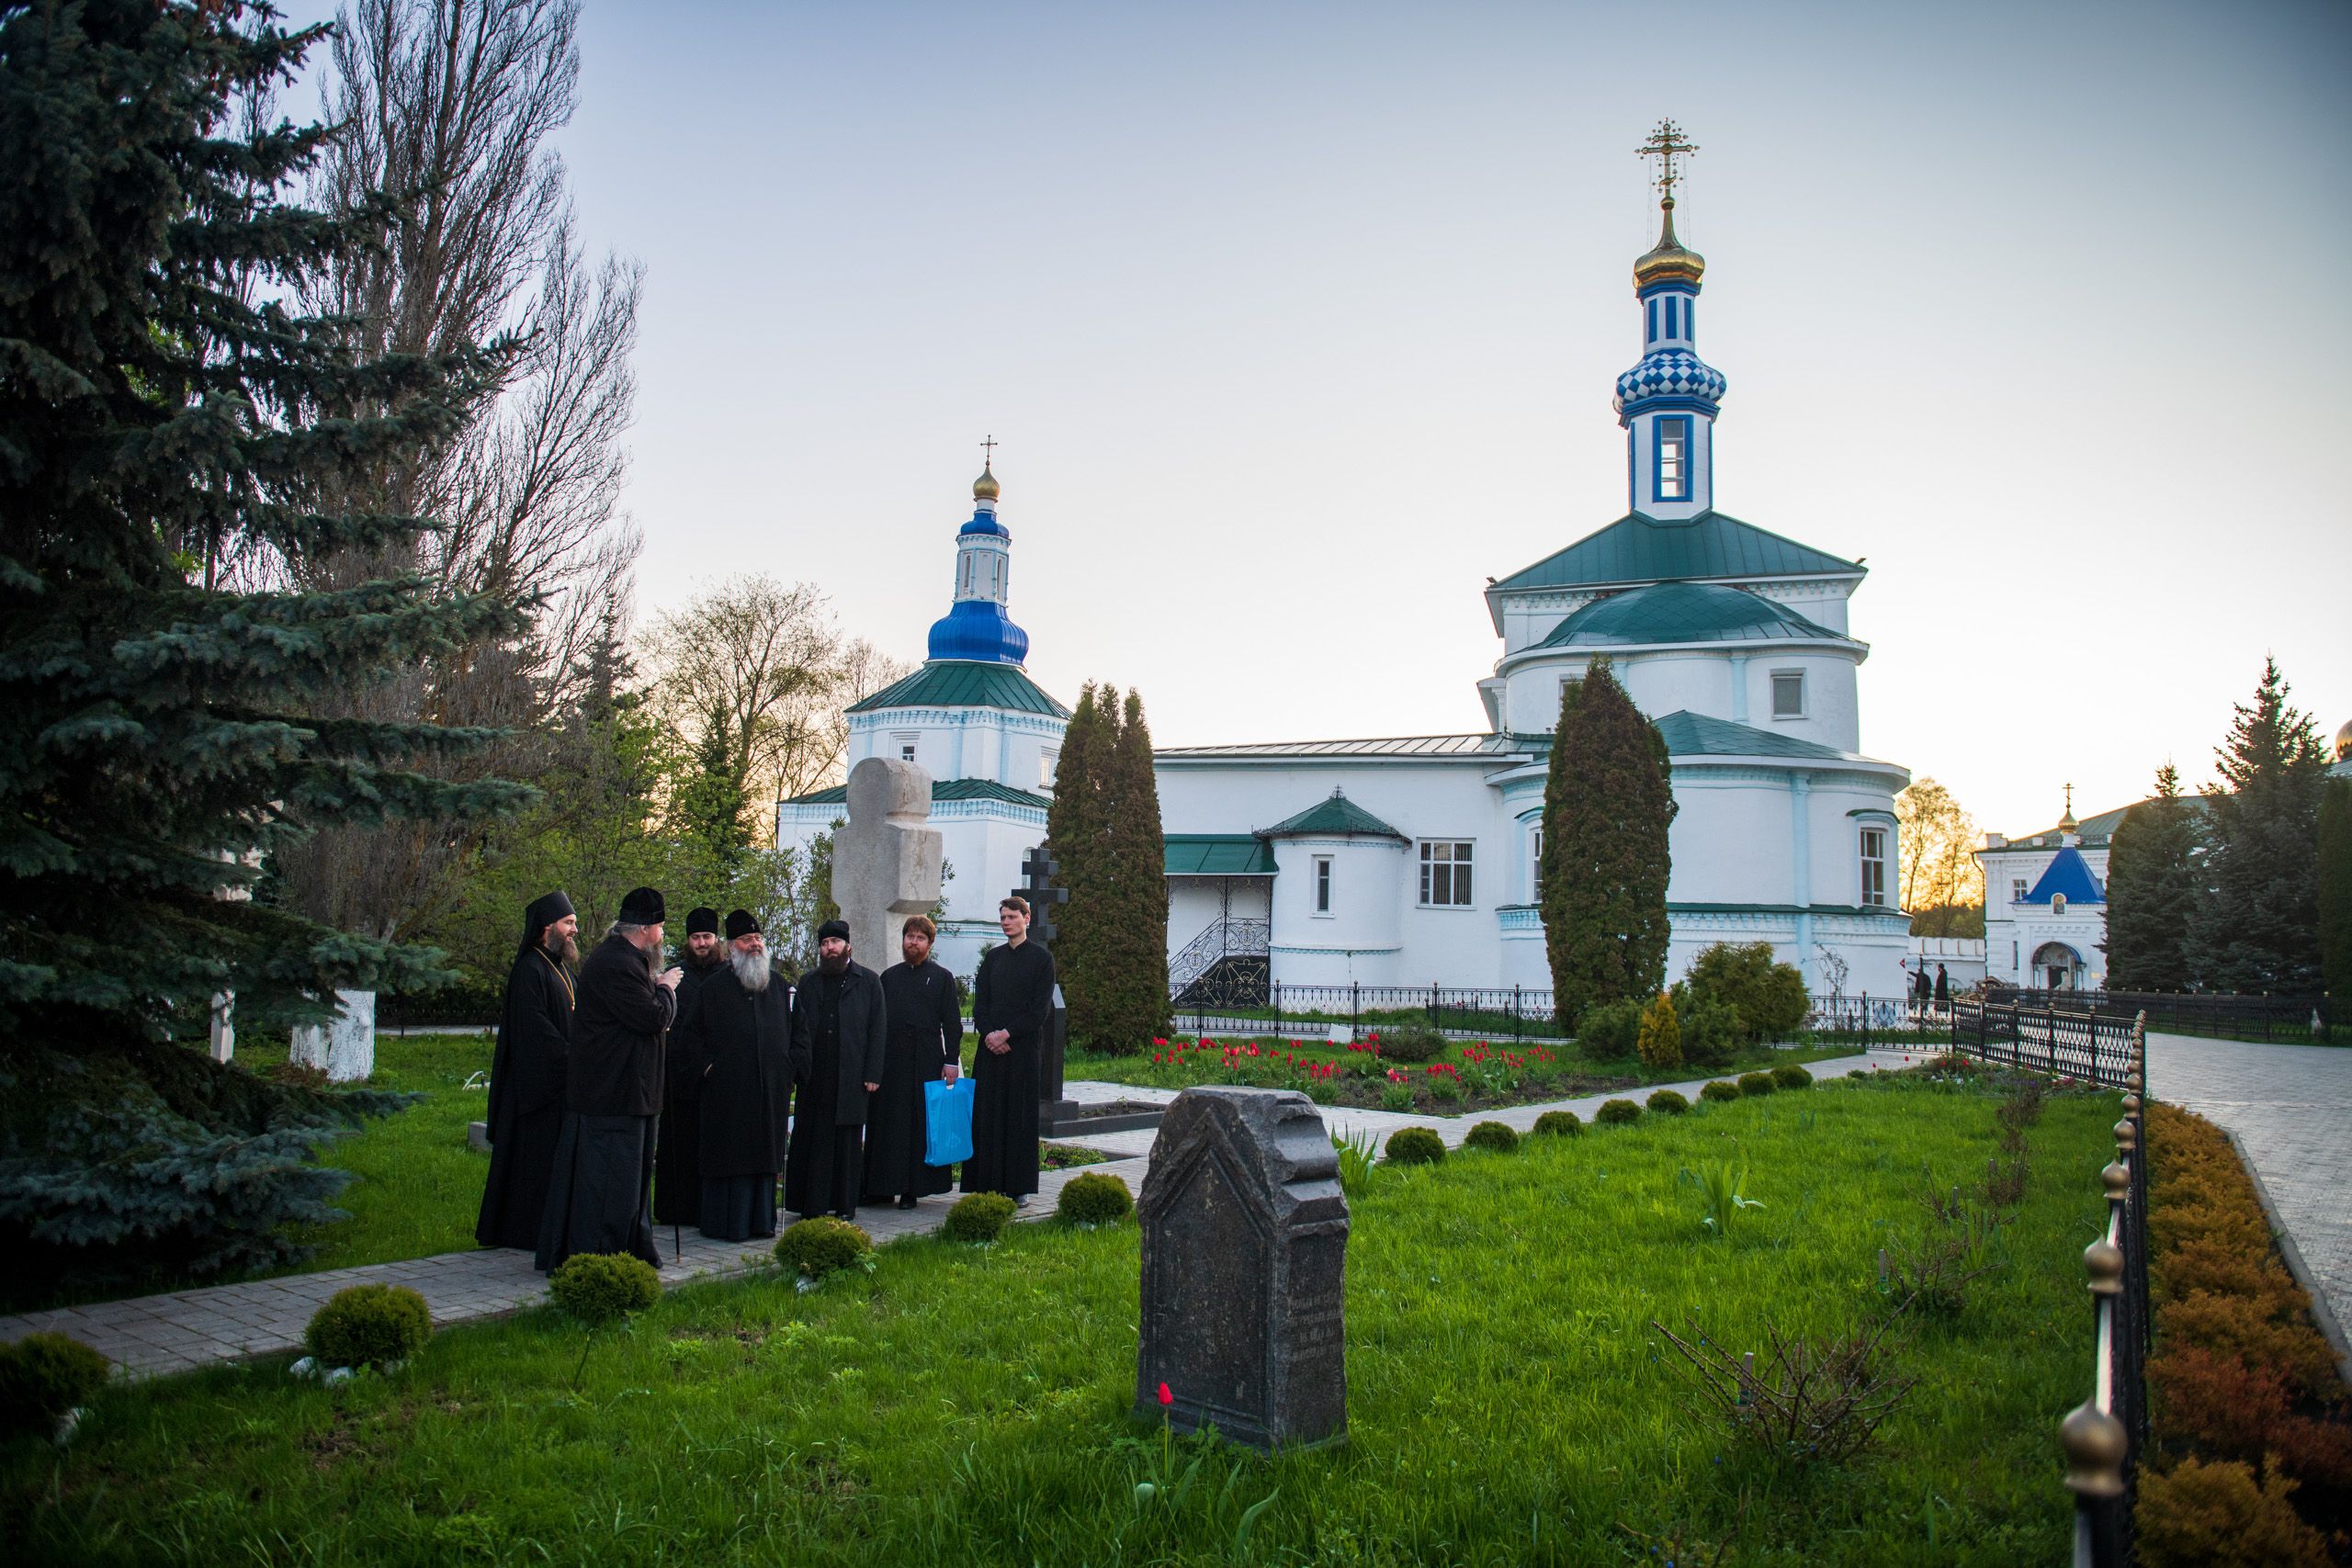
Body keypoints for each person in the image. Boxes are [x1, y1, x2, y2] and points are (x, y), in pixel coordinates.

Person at [536, 886, 681, 1271]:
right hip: (613, 1096)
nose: (663, 935)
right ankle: (602, 1260)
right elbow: (651, 1017)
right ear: (646, 928)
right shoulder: (617, 964)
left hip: (631, 1094)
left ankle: (630, 1251)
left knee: (630, 1185)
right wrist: (666, 988)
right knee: (610, 1187)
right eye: (661, 927)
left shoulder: (626, 960)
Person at [672, 909, 795, 1241]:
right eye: (746, 939)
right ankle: (729, 1226)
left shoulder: (778, 985)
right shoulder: (713, 988)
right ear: (732, 947)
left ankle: (761, 1223)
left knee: (763, 1159)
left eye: (757, 939)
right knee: (731, 1158)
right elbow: (690, 1038)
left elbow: (796, 1034)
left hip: (769, 1090)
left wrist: (787, 1071)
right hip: (727, 1092)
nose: (754, 944)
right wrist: (709, 1068)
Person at [475, 891, 577, 1250]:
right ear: (546, 927)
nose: (574, 930)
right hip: (535, 1090)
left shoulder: (561, 968)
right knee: (528, 1165)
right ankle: (520, 1233)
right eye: (568, 923)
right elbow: (536, 1033)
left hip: (561, 1085)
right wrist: (571, 1059)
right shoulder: (528, 971)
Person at [785, 919, 886, 1221]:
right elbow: (797, 1028)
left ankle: (844, 1206)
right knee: (814, 1140)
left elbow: (878, 1030)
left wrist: (873, 1074)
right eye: (825, 944)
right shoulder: (809, 981)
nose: (830, 949)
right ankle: (812, 1205)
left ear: (847, 946)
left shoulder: (868, 981)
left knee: (847, 1144)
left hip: (852, 1076)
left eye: (836, 943)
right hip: (815, 1076)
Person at [864, 915, 963, 1211]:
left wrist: (950, 1062)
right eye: (910, 937)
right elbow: (876, 1023)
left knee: (918, 1126)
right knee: (888, 1124)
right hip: (891, 1062)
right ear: (903, 940)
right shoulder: (888, 977)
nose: (913, 942)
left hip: (926, 1060)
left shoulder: (942, 978)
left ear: (930, 944)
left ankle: (911, 1189)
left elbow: (953, 1024)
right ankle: (882, 1186)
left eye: (920, 938)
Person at [963, 896, 1056, 1205]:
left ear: (1026, 919)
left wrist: (1007, 1034)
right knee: (986, 1115)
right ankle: (984, 1182)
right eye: (1002, 917)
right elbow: (981, 1004)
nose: (1005, 922)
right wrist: (990, 1033)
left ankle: (1018, 1187)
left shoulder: (1042, 960)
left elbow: (1039, 1010)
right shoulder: (993, 959)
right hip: (990, 1050)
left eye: (1011, 917)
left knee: (1019, 1116)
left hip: (1022, 1050)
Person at [653, 907, 726, 1229]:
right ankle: (676, 1210)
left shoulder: (727, 975)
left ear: (716, 939)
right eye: (696, 938)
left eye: (707, 937)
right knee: (679, 1147)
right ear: (688, 941)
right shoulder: (675, 975)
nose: (701, 943)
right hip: (680, 1077)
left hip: (715, 1078)